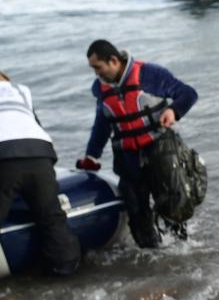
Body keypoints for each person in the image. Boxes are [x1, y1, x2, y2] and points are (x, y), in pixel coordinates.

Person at [77, 40, 198, 248]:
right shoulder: (100, 88)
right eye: (93, 69)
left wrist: (173, 111)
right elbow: (102, 125)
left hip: (159, 150)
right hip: (127, 158)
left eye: (98, 67)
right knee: (136, 210)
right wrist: (92, 156)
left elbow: (188, 93)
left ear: (113, 60)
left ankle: (182, 252)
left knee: (171, 204)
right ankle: (151, 257)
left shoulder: (150, 74)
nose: (96, 74)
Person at [0, 71, 81, 275]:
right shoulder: (22, 91)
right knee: (52, 216)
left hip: (3, 155)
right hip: (39, 151)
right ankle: (67, 270)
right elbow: (35, 124)